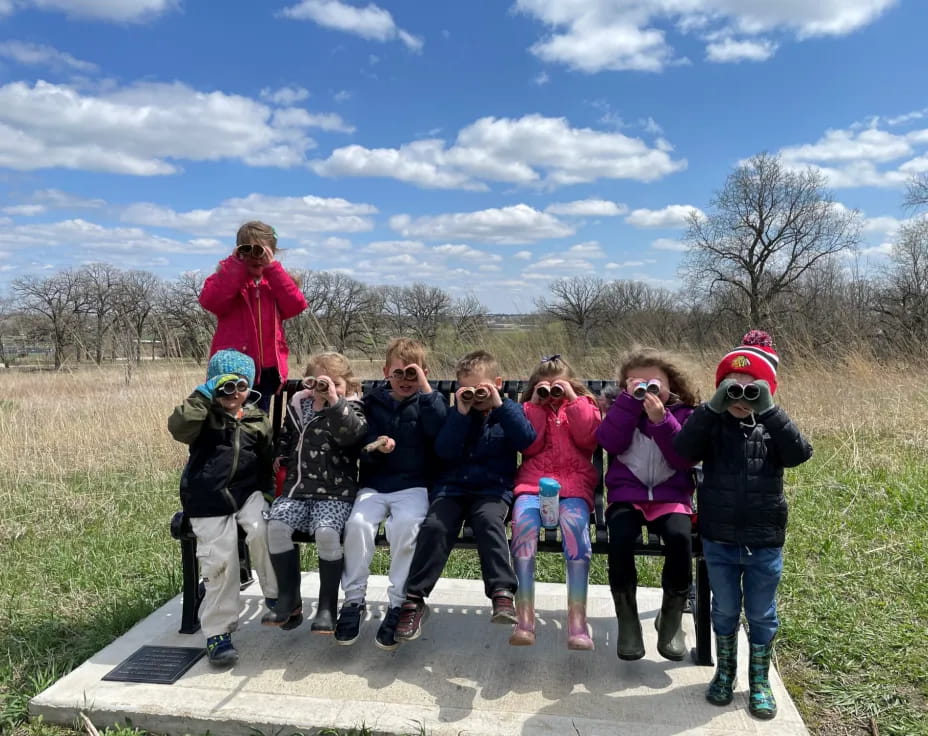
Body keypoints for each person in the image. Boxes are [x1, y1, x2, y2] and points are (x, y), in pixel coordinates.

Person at [674, 331, 812, 720]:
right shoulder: (713, 426)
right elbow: (683, 452)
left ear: (769, 392)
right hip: (719, 539)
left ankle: (760, 681)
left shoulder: (772, 427)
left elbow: (800, 454)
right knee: (724, 609)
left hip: (764, 540)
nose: (742, 397)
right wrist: (710, 408)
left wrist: (769, 411)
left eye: (755, 389)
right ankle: (725, 672)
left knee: (761, 613)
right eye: (733, 389)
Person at [395, 350, 536, 642]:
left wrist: (501, 404)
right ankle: (414, 598)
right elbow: (444, 450)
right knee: (435, 525)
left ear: (497, 383)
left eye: (482, 389)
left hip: (492, 490)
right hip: (453, 487)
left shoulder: (507, 413)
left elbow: (526, 440)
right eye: (468, 390)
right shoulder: (456, 414)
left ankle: (501, 592)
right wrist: (460, 412)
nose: (476, 396)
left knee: (488, 521)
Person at [167, 349, 278, 667]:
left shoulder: (256, 418)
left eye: (241, 385)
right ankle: (218, 632)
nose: (234, 393)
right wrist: (203, 395)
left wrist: (269, 493)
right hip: (208, 498)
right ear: (212, 386)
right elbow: (179, 427)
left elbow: (267, 460)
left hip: (248, 494)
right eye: (225, 386)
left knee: (264, 529)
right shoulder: (201, 417)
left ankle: (274, 594)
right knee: (221, 562)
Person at [335, 338, 447, 650]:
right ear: (386, 372)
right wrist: (375, 447)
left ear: (424, 374)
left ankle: (398, 603)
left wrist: (426, 389)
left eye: (412, 374)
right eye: (397, 373)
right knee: (357, 525)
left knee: (406, 527)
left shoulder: (428, 403)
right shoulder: (373, 402)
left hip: (414, 485)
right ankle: (353, 600)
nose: (404, 381)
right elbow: (360, 446)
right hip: (375, 484)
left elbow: (440, 429)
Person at [595, 349, 699, 662]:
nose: (647, 392)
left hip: (672, 497)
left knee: (681, 538)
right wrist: (626, 406)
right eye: (638, 385)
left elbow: (683, 457)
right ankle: (628, 620)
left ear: (672, 383)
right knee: (621, 537)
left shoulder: (684, 415)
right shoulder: (620, 410)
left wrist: (661, 421)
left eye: (655, 384)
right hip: (627, 497)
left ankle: (671, 617)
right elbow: (609, 443)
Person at [261, 352, 366, 634]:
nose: (326, 389)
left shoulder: (351, 409)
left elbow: (352, 436)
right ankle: (289, 598)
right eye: (319, 384)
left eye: (335, 384)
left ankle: (327, 606)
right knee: (276, 526)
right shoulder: (299, 406)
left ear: (348, 385)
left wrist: (335, 402)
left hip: (335, 493)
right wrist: (281, 456)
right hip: (297, 490)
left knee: (327, 533)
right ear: (308, 384)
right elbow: (287, 437)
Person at [510, 354, 603, 650]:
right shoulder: (527, 409)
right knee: (522, 525)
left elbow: (588, 440)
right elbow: (529, 444)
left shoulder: (584, 406)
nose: (553, 393)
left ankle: (577, 623)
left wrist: (574, 400)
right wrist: (536, 407)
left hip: (574, 485)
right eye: (545, 387)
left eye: (558, 387)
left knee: (576, 529)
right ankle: (524, 620)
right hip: (533, 484)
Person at [199, 221, 307, 412]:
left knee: (256, 423)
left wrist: (273, 269)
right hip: (231, 368)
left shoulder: (276, 283)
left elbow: (295, 306)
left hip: (267, 371)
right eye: (248, 250)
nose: (255, 257)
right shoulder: (227, 280)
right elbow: (211, 302)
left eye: (261, 251)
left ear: (272, 252)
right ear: (239, 251)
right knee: (225, 423)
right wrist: (234, 266)